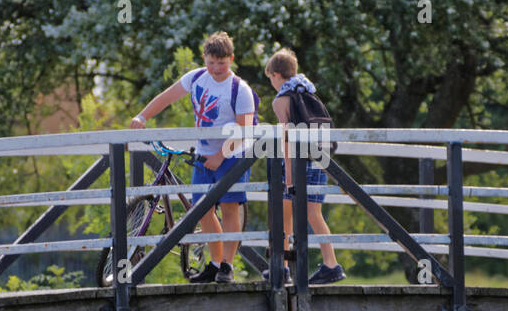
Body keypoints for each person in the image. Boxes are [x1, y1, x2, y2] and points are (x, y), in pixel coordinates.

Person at [130, 31, 256, 283]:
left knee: (230, 207)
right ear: (204, 58)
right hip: (203, 153)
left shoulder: (240, 89)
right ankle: (214, 262)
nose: (216, 68)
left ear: (231, 59)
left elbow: (245, 130)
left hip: (233, 154)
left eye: (222, 63)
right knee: (201, 209)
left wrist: (221, 156)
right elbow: (167, 96)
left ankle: (227, 267)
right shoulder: (197, 77)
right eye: (211, 62)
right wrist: (142, 116)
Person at [264, 48, 346, 285]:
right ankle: (331, 264)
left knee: (284, 212)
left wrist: (288, 175)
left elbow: (287, 138)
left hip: (296, 163)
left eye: (270, 78)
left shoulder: (281, 100)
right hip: (318, 160)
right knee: (314, 213)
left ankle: (284, 268)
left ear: (276, 75)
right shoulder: (309, 92)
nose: (271, 82)